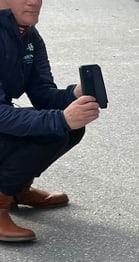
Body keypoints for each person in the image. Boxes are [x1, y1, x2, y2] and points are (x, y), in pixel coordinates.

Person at [0, 0, 100, 243]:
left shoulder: (30, 36)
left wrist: (73, 95)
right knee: (55, 126)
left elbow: (43, 93)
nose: (34, 1)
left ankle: (15, 190)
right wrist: (61, 119)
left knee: (70, 127)